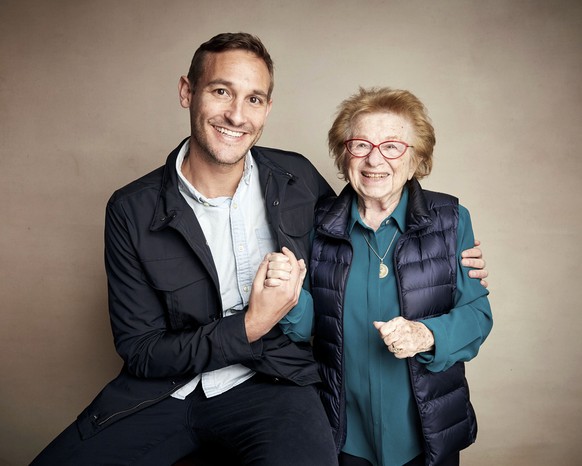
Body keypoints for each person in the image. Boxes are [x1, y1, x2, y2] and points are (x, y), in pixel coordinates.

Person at [30, 33, 487, 466]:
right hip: (162, 392)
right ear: (187, 91)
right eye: (221, 92)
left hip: (273, 383)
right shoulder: (132, 208)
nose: (236, 115)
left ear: (267, 108)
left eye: (253, 99)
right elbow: (142, 351)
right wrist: (251, 324)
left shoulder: (298, 180)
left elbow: (358, 230)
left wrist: (447, 249)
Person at [269, 87, 492, 466]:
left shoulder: (451, 220)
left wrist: (426, 334)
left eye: (392, 146)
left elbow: (477, 316)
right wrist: (286, 295)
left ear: (416, 158)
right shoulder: (316, 224)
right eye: (360, 145)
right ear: (344, 153)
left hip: (426, 430)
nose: (374, 160)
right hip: (342, 430)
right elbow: (308, 327)